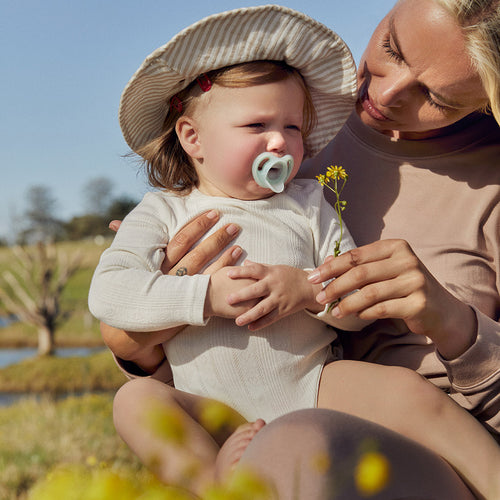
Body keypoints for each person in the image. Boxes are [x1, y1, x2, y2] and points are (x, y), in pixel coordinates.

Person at [98, 2, 500, 499]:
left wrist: (307, 289)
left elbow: (352, 309)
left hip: (315, 385)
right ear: (191, 137)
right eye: (391, 47)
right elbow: (113, 296)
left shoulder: (309, 200)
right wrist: (172, 316)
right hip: (209, 400)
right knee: (135, 402)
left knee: (402, 393)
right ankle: (215, 487)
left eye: (294, 128)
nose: (282, 143)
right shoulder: (162, 210)